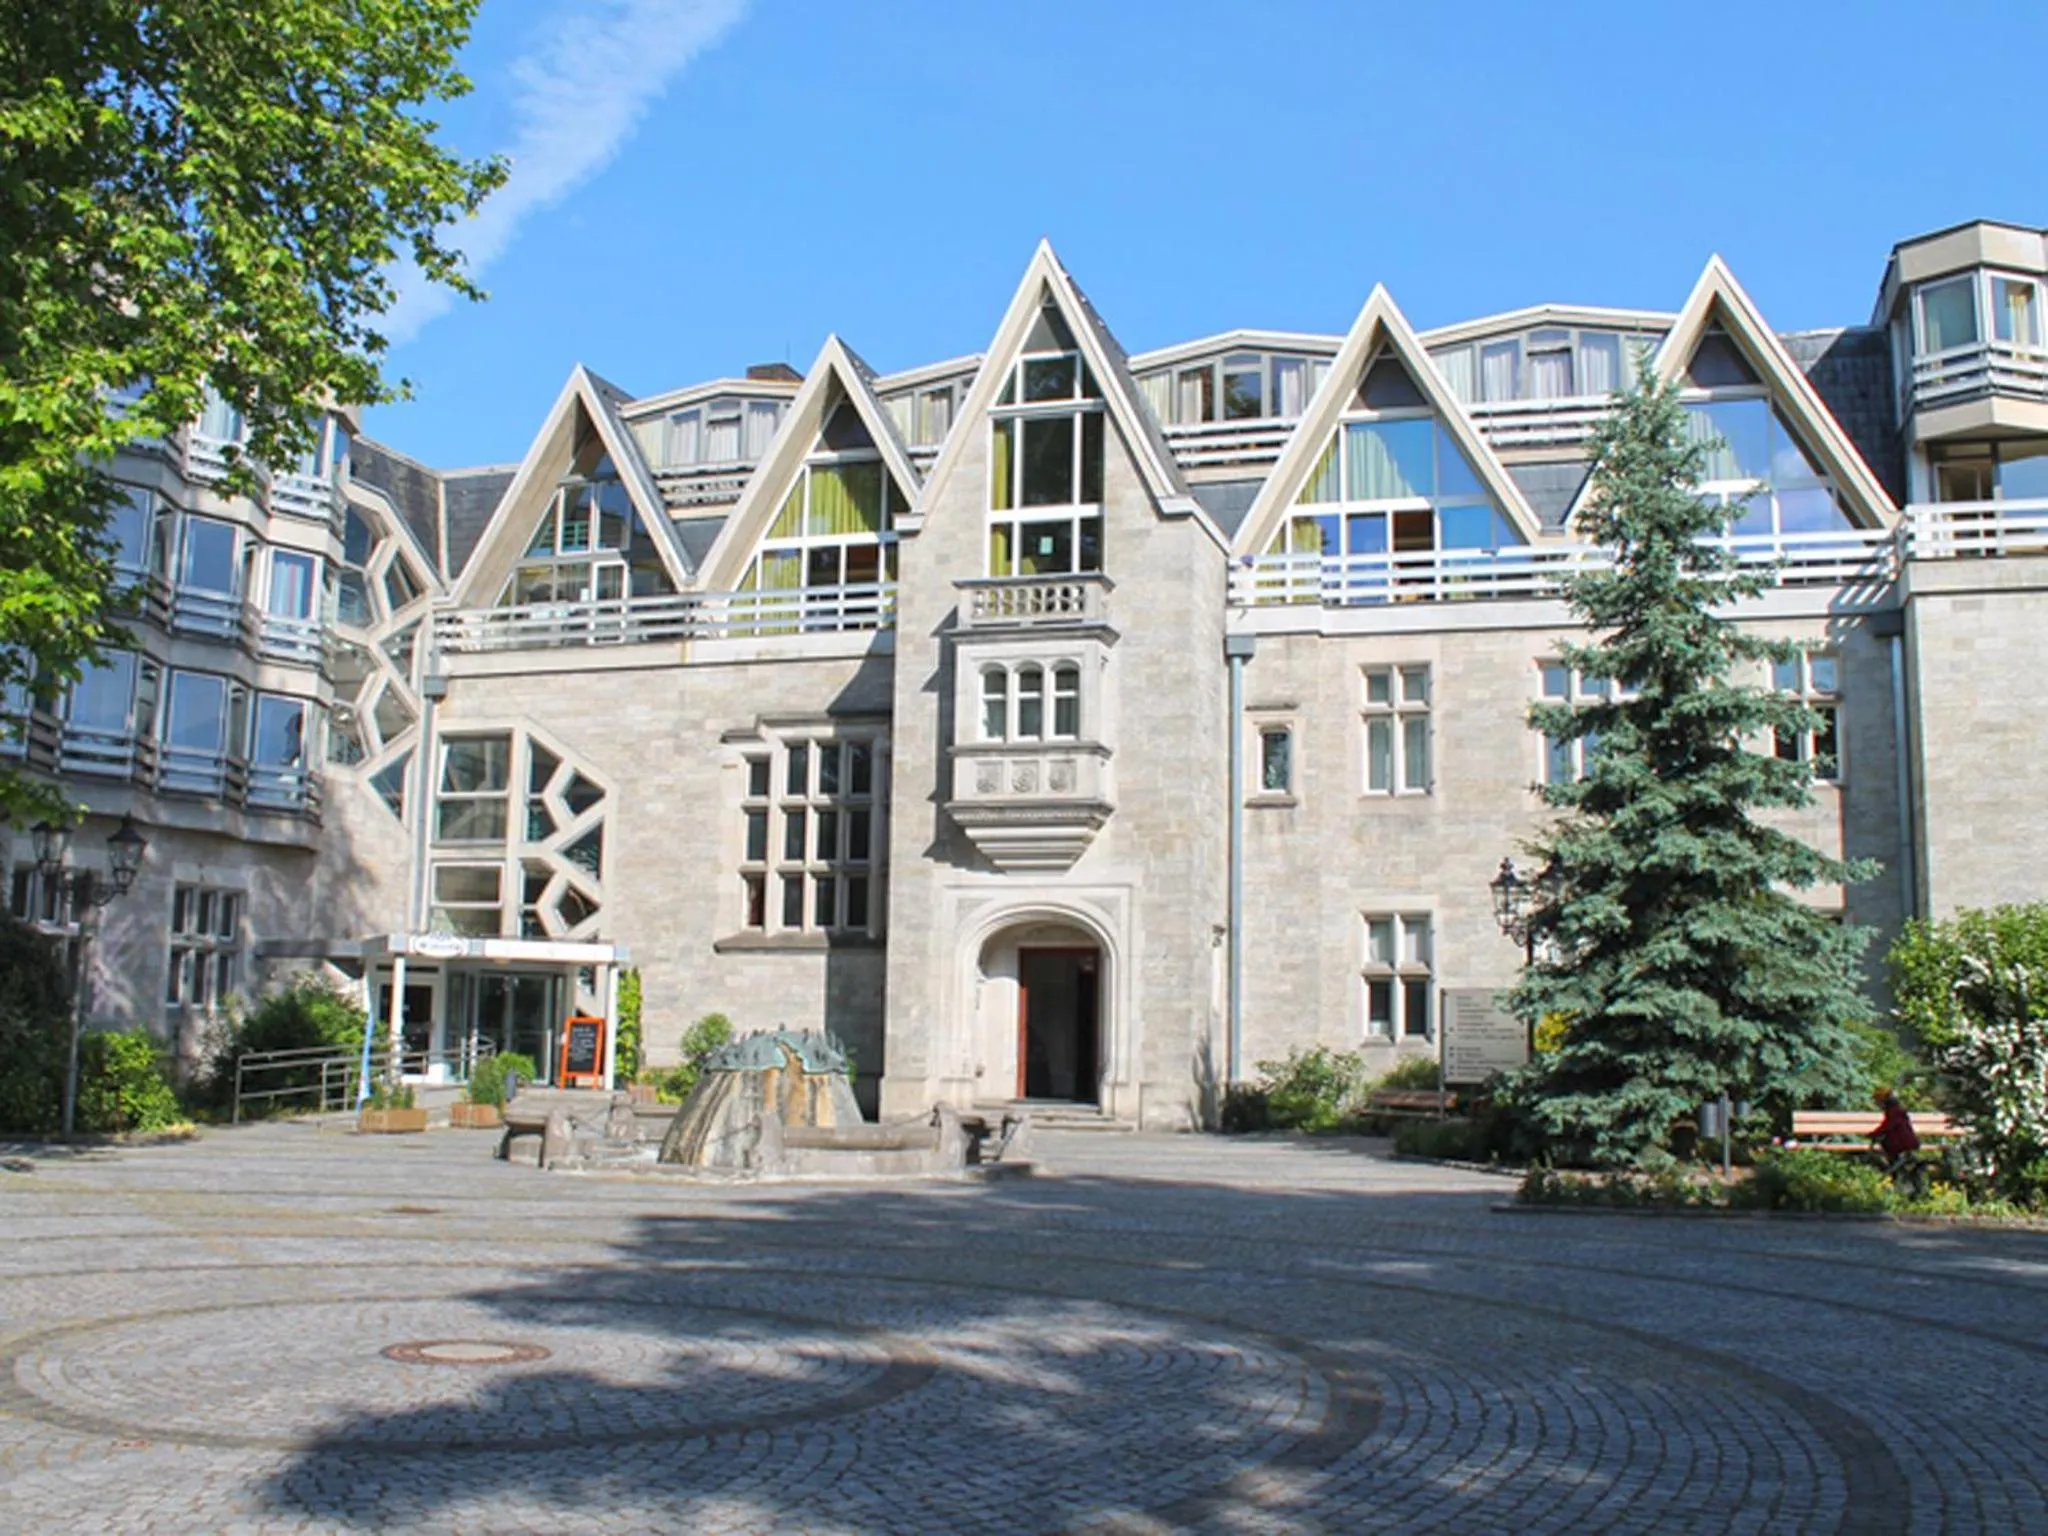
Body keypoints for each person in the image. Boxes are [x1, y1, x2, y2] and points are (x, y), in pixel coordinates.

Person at [1870, 1089, 1920, 1180]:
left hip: (1902, 1143)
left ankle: (1890, 1175)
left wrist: (1873, 1134)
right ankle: (1895, 1173)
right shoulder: (1898, 1110)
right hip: (1910, 1142)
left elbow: (1888, 1125)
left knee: (1888, 1147)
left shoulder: (1893, 1111)